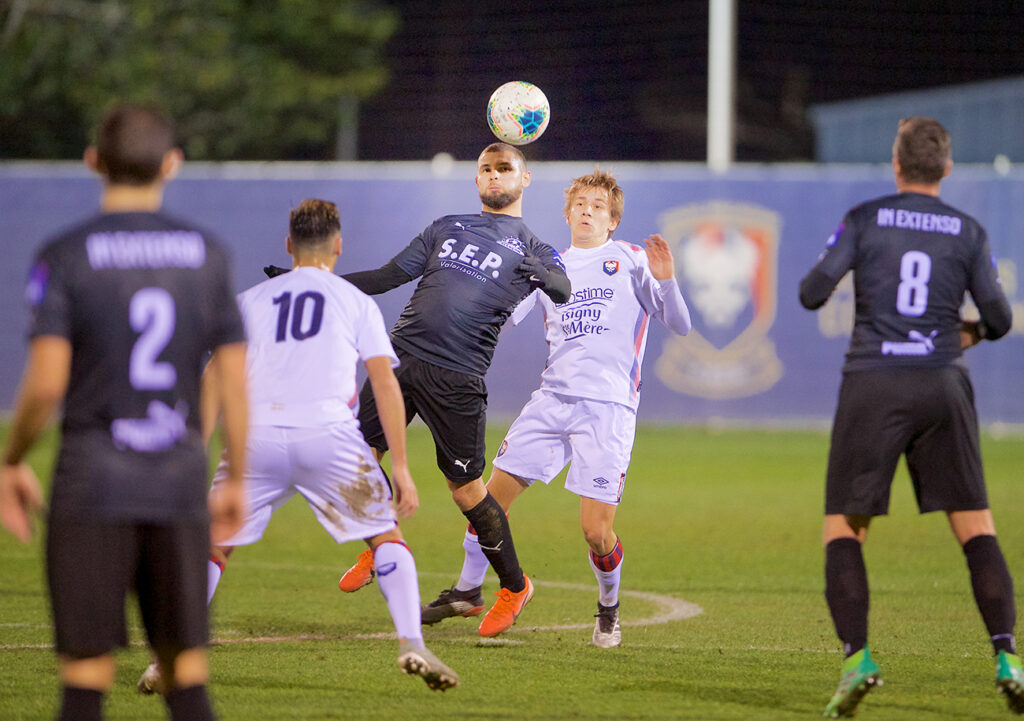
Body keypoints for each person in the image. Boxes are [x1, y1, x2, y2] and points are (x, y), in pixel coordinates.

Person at [139, 199, 458, 693]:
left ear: (289, 246)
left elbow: (212, 379)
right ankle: (411, 642)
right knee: (385, 538)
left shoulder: (248, 300)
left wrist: (192, 456)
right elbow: (385, 383)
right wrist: (402, 468)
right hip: (330, 440)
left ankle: (167, 659)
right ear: (338, 246)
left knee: (212, 544)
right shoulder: (355, 301)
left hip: (256, 441)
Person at [0, 104, 248, 721]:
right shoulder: (209, 255)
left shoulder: (64, 254)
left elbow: (47, 383)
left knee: (84, 685)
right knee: (187, 681)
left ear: (93, 161)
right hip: (178, 481)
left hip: (92, 484)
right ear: (172, 163)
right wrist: (237, 476)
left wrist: (11, 458)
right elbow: (233, 380)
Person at [269, 142, 571, 637]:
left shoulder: (535, 248)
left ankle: (514, 587)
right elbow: (388, 277)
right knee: (353, 458)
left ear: (525, 179)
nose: (495, 176)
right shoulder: (445, 227)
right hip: (400, 360)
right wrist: (311, 281)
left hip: (457, 377)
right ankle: (382, 546)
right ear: (477, 180)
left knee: (467, 491)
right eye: (487, 170)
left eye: (505, 169)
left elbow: (562, 289)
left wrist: (543, 277)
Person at [799, 117, 1023, 718]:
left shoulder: (867, 218)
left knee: (846, 528)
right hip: (943, 381)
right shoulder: (968, 231)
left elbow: (812, 291)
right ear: (946, 168)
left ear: (896, 165)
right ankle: (1008, 658)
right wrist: (968, 332)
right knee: (976, 526)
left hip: (873, 382)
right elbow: (1000, 321)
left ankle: (857, 660)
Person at [419, 169, 691, 647]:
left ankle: (608, 607)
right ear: (567, 213)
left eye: (598, 207)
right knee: (487, 503)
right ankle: (466, 590)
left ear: (612, 221)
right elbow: (502, 317)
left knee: (595, 532)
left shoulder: (629, 259)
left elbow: (681, 325)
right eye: (580, 203)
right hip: (551, 401)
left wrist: (667, 282)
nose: (588, 210)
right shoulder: (549, 266)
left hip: (607, 410)